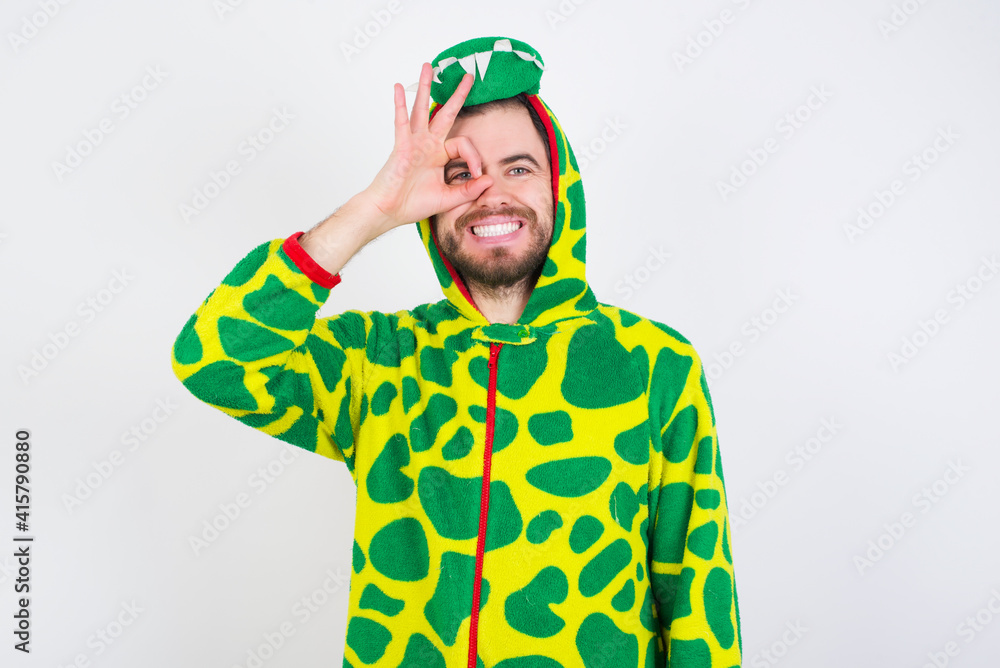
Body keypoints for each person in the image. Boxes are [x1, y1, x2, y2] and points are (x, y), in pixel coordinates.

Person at [171, 35, 742, 668]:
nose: (490, 192)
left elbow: (698, 599)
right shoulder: (380, 359)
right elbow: (214, 362)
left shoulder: (655, 363)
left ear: (561, 187)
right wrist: (373, 208)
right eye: (459, 172)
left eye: (518, 168)